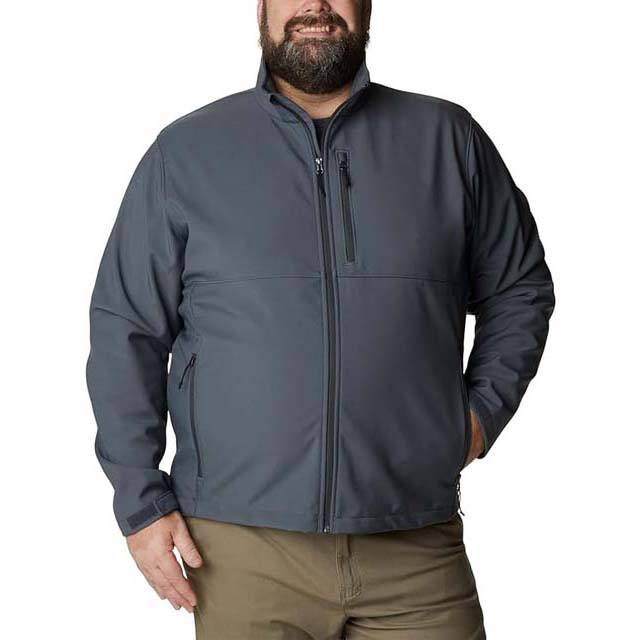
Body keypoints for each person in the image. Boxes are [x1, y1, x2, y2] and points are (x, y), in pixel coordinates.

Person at [85, 1, 555, 637]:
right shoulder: (186, 152)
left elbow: (519, 287)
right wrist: (141, 502)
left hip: (414, 542)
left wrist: (477, 418)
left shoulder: (447, 139)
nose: (314, 6)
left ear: (367, 7)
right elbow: (127, 326)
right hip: (238, 547)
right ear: (261, 9)